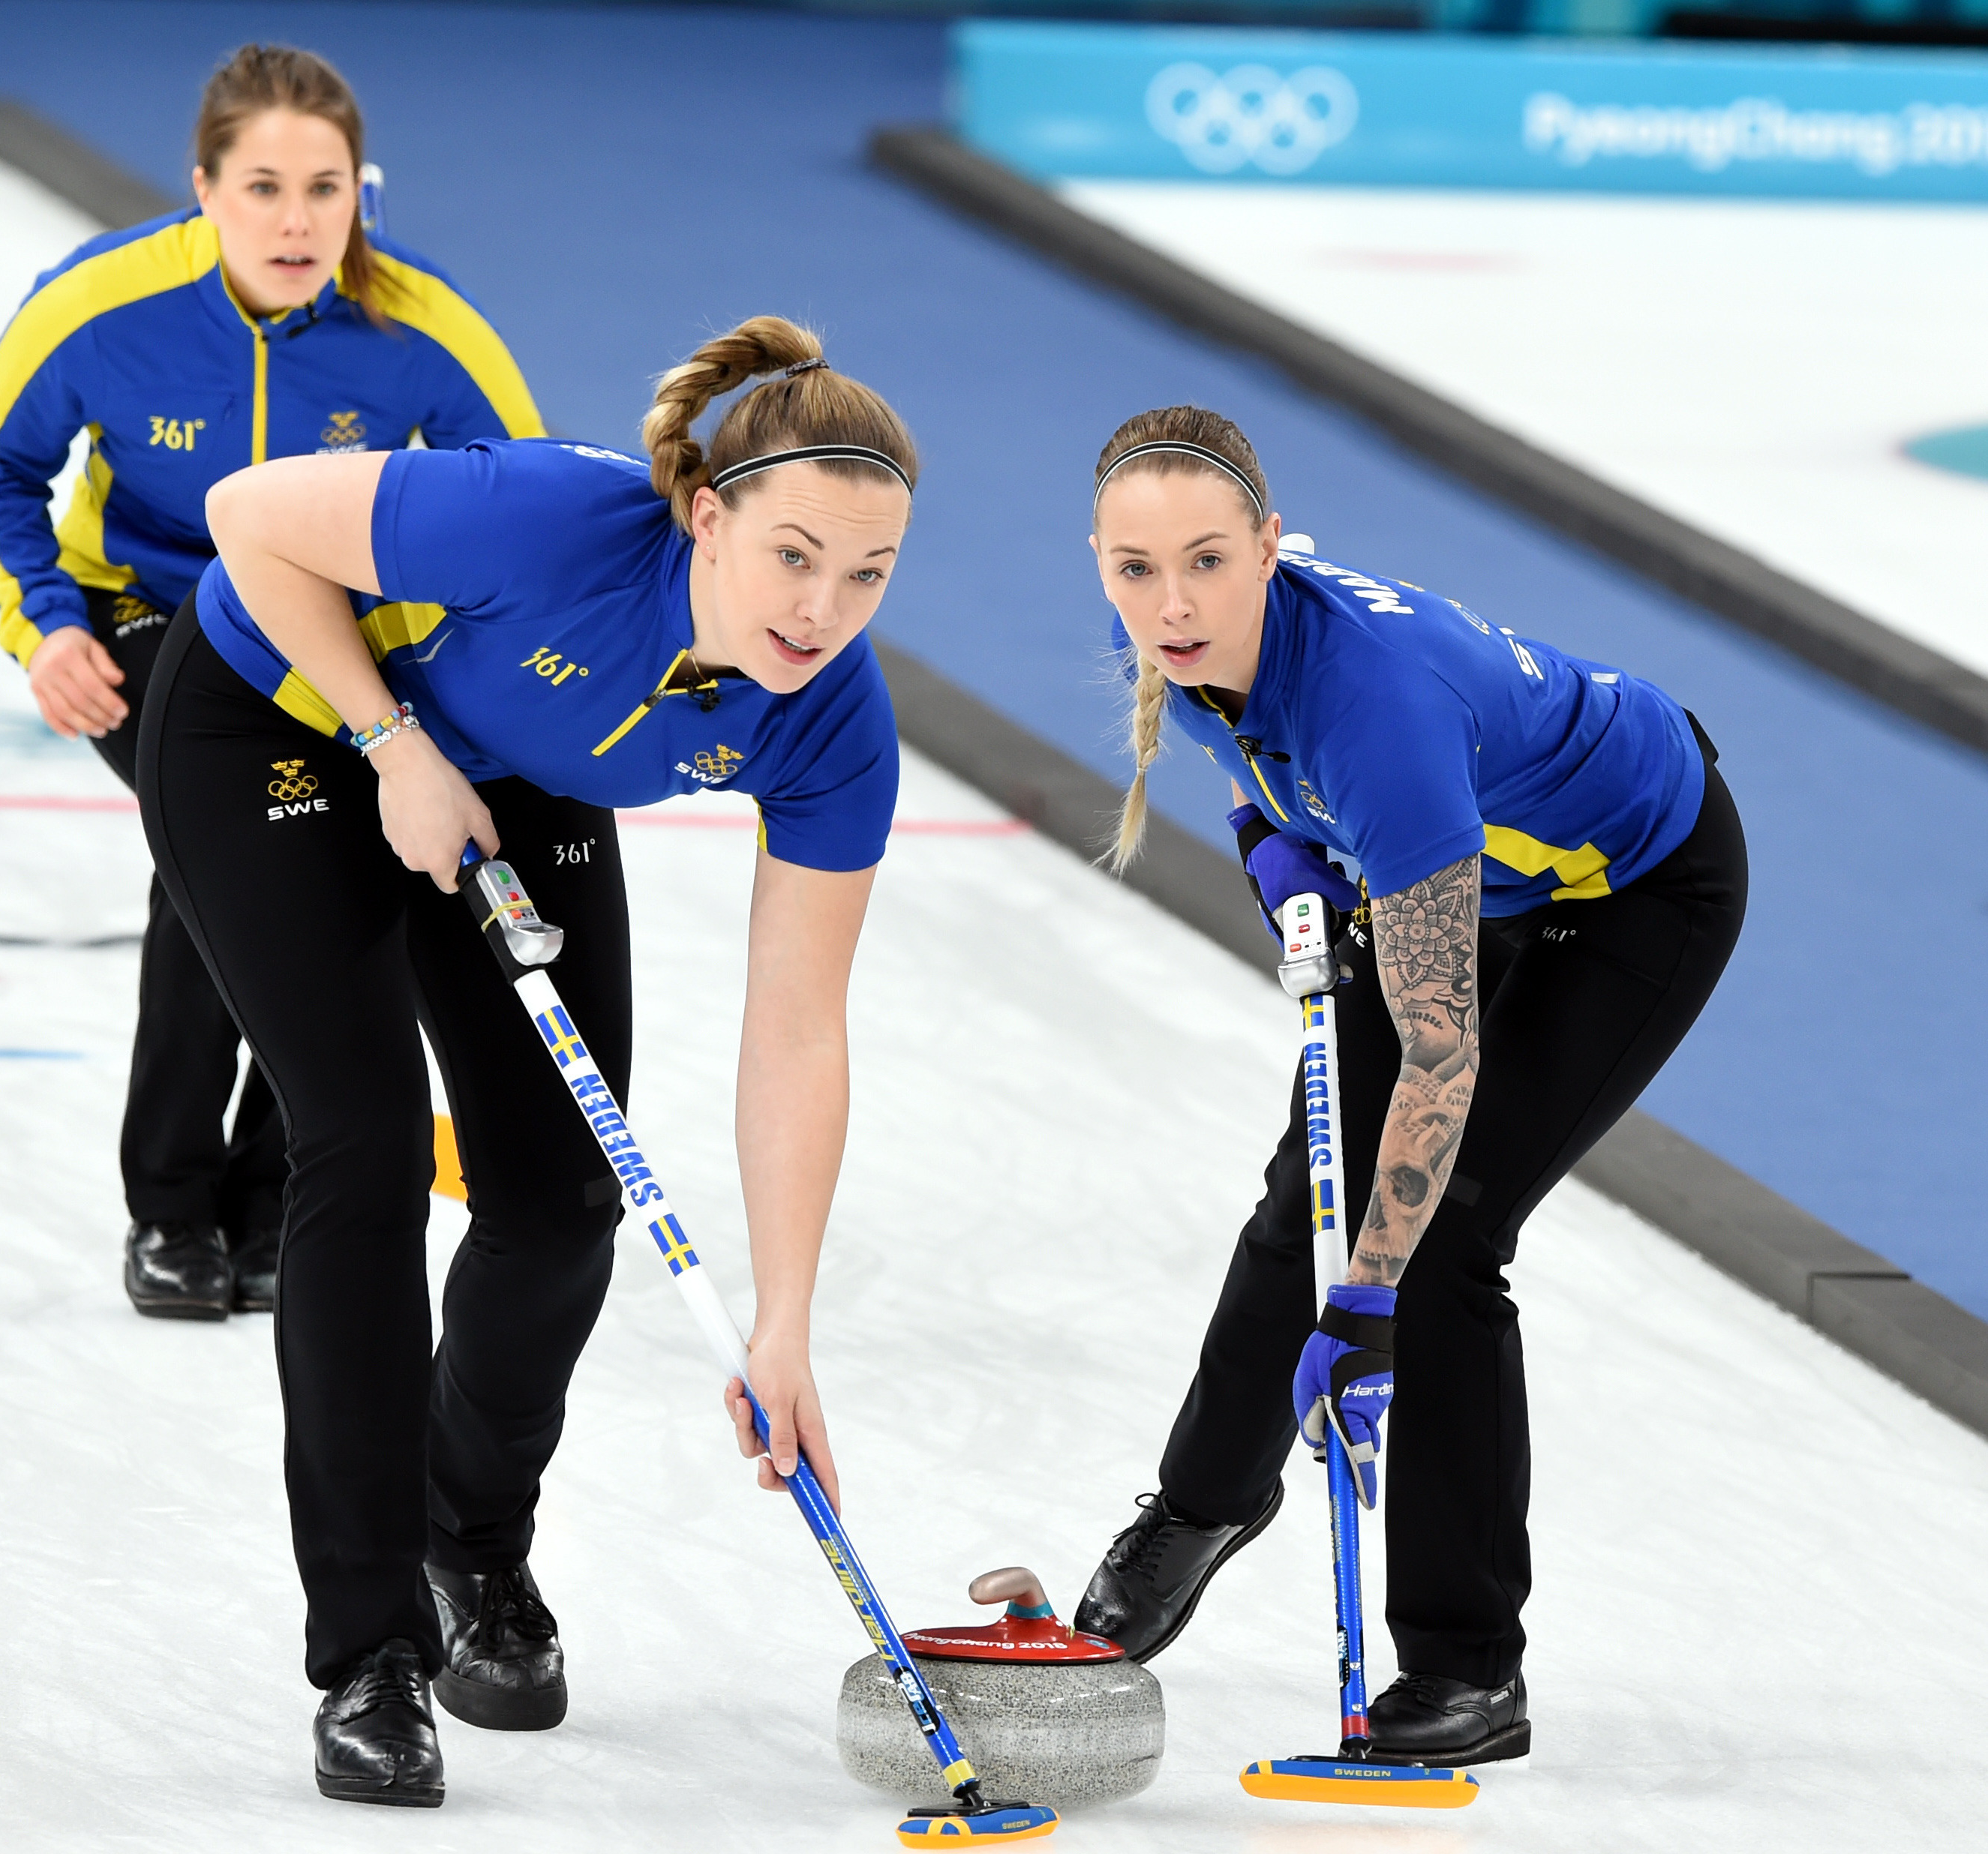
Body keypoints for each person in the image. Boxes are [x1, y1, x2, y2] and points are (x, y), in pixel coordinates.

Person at [135, 317, 916, 1807]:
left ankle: (468, 1546)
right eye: (795, 556)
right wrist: (390, 745)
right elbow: (246, 521)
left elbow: (800, 1027)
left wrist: (786, 1320)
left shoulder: (833, 725)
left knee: (562, 1196)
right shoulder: (552, 517)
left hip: (511, 774)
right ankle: (368, 1659)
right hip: (281, 720)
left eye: (869, 575)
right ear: (708, 514)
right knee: (361, 1149)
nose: (823, 611)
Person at [1067, 406, 1746, 1766]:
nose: (1173, 601)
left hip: (1637, 890)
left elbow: (1442, 1054)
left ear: (1271, 546)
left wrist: (1367, 1306)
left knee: (1439, 1257)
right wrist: (1272, 851)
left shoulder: (1373, 707)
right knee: (1299, 1204)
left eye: (1206, 562)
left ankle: (1467, 1667)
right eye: (1137, 569)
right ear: (1099, 559)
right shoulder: (1201, 658)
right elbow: (1270, 778)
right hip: (1458, 872)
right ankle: (1199, 1510)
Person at [0, 44, 541, 1319]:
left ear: (359, 194)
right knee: (231, 859)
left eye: (324, 190)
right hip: (149, 619)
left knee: (325, 868)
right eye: (263, 186)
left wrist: (444, 661)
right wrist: (45, 627)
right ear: (203, 187)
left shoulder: (421, 324)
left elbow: (526, 501)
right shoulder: (101, 305)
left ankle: (271, 1203)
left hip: (330, 646)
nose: (295, 221)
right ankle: (170, 1211)